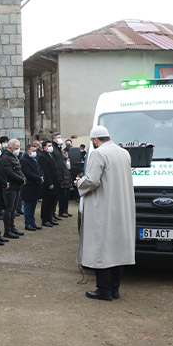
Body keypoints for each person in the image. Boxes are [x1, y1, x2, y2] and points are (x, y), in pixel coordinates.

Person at [77, 126, 136, 301]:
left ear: (95, 140)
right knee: (117, 249)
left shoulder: (98, 153)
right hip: (121, 206)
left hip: (103, 206)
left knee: (101, 248)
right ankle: (115, 289)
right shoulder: (123, 152)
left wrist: (78, 182)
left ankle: (104, 290)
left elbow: (92, 180)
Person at [0, 138, 25, 239]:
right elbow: (9, 172)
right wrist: (21, 179)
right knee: (9, 208)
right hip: (11, 187)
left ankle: (12, 227)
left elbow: (19, 169)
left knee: (13, 208)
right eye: (16, 148)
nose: (18, 150)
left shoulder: (14, 156)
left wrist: (23, 178)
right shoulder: (5, 158)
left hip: (17, 185)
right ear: (10, 147)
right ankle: (7, 230)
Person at [19, 144, 43, 232]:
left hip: (35, 185)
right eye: (33, 151)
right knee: (28, 205)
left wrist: (41, 176)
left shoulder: (34, 159)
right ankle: (28, 223)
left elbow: (39, 169)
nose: (35, 152)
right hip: (29, 186)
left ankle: (32, 222)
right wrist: (38, 178)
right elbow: (27, 173)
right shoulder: (24, 160)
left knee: (33, 205)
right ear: (28, 151)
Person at [38, 140, 60, 228]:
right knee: (47, 202)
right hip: (48, 183)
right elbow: (46, 171)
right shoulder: (42, 157)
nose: (51, 147)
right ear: (44, 147)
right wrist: (49, 183)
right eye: (49, 145)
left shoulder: (50, 155)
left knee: (52, 202)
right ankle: (45, 219)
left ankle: (50, 218)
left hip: (54, 182)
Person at [58, 148, 73, 217]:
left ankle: (65, 210)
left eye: (66, 152)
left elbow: (69, 171)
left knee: (67, 198)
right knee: (62, 198)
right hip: (63, 182)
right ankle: (61, 211)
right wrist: (61, 182)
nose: (66, 154)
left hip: (68, 181)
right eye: (64, 152)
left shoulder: (68, 160)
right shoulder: (61, 161)